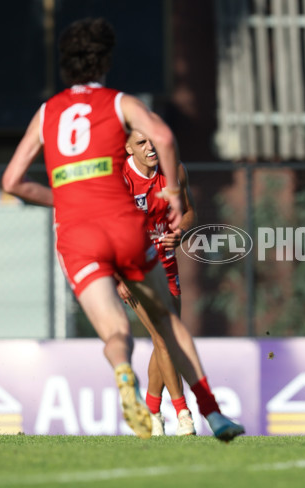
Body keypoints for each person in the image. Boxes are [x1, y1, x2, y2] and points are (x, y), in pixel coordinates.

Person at [1, 17, 244, 441]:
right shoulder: (119, 103)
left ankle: (122, 373)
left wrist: (64, 199)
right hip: (122, 226)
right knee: (167, 323)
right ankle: (213, 414)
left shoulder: (47, 112)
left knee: (115, 331)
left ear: (64, 65)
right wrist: (171, 190)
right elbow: (166, 138)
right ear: (105, 61)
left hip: (77, 233)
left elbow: (11, 182)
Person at [117, 129, 197, 436]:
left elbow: (189, 212)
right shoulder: (118, 179)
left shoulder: (174, 170)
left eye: (153, 140)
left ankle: (150, 412)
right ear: (127, 147)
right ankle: (183, 414)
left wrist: (180, 232)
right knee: (166, 337)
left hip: (165, 265)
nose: (150, 147)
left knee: (164, 339)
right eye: (141, 143)